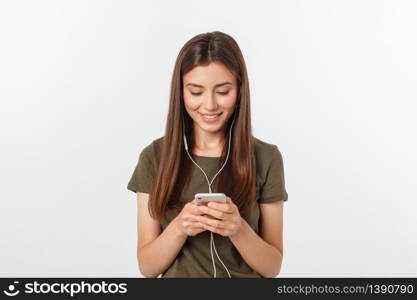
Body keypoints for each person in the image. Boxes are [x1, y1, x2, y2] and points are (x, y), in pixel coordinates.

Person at [127, 31, 288, 278]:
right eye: (196, 91)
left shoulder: (266, 158)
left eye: (223, 91)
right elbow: (147, 267)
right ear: (180, 92)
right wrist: (179, 228)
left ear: (240, 90)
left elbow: (272, 266)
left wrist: (238, 230)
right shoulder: (154, 157)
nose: (210, 105)